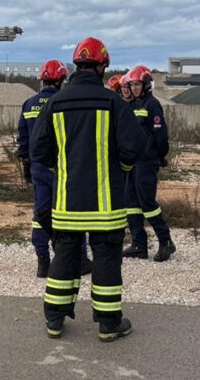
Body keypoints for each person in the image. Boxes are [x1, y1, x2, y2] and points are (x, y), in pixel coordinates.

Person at [31, 37, 145, 342]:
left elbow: (38, 150)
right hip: (105, 203)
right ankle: (108, 324)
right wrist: (119, 170)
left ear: (76, 67)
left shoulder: (55, 102)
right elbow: (134, 147)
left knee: (65, 255)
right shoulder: (114, 102)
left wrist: (63, 168)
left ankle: (54, 320)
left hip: (66, 202)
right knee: (107, 258)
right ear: (102, 66)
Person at [17, 60, 91, 278]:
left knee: (41, 213)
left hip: (38, 168)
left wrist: (26, 163)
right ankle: (79, 260)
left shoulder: (29, 104)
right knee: (71, 213)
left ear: (42, 80)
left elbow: (23, 138)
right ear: (61, 80)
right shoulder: (62, 102)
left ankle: (43, 261)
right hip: (62, 168)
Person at [121, 66, 177, 262]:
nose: (134, 88)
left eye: (137, 84)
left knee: (148, 203)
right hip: (133, 163)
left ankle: (166, 241)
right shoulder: (134, 105)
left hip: (147, 161)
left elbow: (161, 135)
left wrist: (160, 156)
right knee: (131, 204)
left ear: (145, 84)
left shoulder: (152, 105)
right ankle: (139, 244)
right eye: (132, 84)